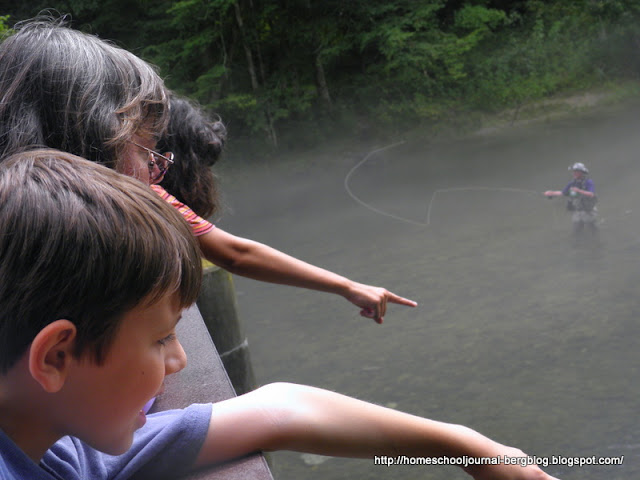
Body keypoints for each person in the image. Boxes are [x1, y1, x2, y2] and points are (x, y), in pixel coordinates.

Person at [0, 149, 559, 480]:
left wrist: (467, 445)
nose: (179, 360)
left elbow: (280, 409)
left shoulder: (58, 441)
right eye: (162, 338)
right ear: (56, 357)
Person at [0, 19, 415, 324]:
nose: (156, 172)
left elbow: (236, 253)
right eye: (145, 149)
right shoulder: (70, 215)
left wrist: (346, 286)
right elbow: (235, 253)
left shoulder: (141, 195)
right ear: (84, 138)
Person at [544, 162, 598, 238]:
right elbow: (563, 193)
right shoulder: (572, 183)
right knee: (576, 230)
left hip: (589, 210)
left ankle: (595, 240)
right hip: (577, 210)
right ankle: (578, 241)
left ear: (581, 172)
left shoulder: (589, 182)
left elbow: (591, 194)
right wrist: (551, 193)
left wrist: (578, 190)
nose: (574, 173)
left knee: (592, 228)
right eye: (573, 171)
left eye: (576, 171)